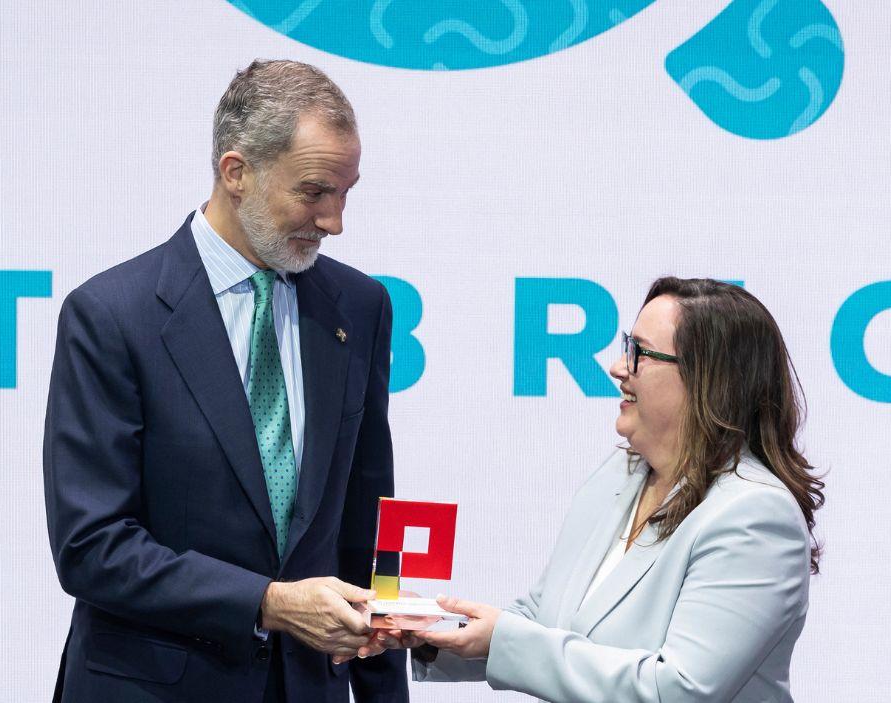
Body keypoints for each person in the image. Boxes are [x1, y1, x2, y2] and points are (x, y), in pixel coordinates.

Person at [43, 59, 407, 703]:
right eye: (315, 192)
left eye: (346, 192)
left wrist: (384, 692)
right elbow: (91, 545)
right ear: (236, 173)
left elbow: (366, 524)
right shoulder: (112, 316)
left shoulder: (360, 307)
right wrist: (267, 602)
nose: (334, 221)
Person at [389, 277, 825, 702]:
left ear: (708, 378)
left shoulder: (755, 515)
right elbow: (544, 621)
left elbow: (675, 690)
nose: (618, 367)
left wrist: (503, 639)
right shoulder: (621, 473)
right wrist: (431, 628)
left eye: (640, 353)